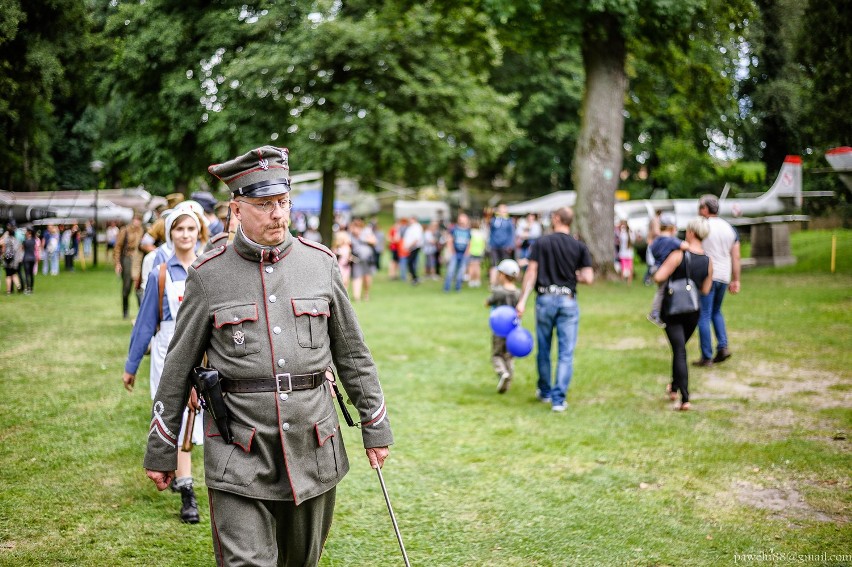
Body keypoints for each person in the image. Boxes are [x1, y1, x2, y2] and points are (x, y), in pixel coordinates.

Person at [142, 145, 393, 567]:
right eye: (264, 205)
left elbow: (353, 354)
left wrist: (375, 424)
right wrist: (162, 448)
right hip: (238, 452)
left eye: (282, 202)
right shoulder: (208, 275)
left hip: (313, 446)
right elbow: (178, 368)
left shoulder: (321, 265)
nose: (278, 214)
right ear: (238, 210)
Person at [122, 208, 206, 523]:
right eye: (179, 229)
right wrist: (131, 364)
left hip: (204, 354)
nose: (185, 234)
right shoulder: (160, 273)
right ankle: (187, 492)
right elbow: (145, 323)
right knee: (176, 417)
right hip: (167, 354)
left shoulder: (208, 269)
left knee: (199, 420)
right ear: (170, 234)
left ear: (199, 232)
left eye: (191, 228)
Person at [516, 207, 594, 412]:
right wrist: (571, 275)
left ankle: (545, 391)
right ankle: (558, 400)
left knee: (544, 348)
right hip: (567, 300)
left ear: (557, 219)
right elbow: (588, 277)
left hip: (545, 299)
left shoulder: (541, 243)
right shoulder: (579, 246)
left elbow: (532, 272)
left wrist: (522, 300)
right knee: (565, 353)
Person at [653, 217, 713, 410]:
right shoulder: (708, 260)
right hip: (693, 312)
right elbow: (705, 289)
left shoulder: (678, 255)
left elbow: (658, 277)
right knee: (678, 348)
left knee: (679, 350)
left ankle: (685, 397)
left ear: (691, 233)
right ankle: (674, 387)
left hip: (673, 310)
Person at [694, 194, 741, 367]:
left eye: (700, 207)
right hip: (724, 275)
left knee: (704, 314)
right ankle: (723, 346)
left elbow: (694, 248)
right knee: (716, 311)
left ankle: (706, 356)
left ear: (705, 209)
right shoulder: (729, 228)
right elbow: (736, 257)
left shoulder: (702, 226)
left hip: (707, 274)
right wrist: (736, 280)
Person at [646, 213, 689, 328]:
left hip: (655, 267)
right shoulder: (671, 241)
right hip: (663, 269)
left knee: (661, 291)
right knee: (661, 291)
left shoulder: (656, 241)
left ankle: (659, 312)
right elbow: (685, 246)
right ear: (671, 228)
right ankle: (655, 313)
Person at [486, 259, 521, 394]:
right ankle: (509, 376)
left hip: (499, 330)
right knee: (509, 356)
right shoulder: (518, 293)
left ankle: (502, 373)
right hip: (514, 330)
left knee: (496, 354)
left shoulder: (499, 292)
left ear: (502, 275)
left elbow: (488, 302)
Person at [114, 214, 145, 319]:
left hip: (139, 259)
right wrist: (117, 263)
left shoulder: (143, 231)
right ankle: (125, 311)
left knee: (139, 287)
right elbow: (118, 247)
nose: (137, 222)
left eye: (139, 220)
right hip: (127, 258)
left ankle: (141, 312)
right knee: (126, 287)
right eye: (135, 220)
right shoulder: (125, 230)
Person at [488, 203, 515, 285]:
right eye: (500, 210)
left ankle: (503, 282)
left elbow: (512, 234)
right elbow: (491, 232)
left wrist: (510, 245)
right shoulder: (494, 220)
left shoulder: (509, 221)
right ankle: (493, 283)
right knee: (494, 265)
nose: (502, 212)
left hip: (505, 247)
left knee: (504, 265)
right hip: (494, 246)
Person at [443, 213, 471, 292]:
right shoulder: (454, 229)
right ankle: (446, 288)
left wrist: (467, 252)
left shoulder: (468, 230)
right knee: (450, 271)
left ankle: (458, 288)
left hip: (464, 254)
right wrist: (452, 251)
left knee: (461, 272)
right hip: (455, 253)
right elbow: (450, 240)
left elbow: (469, 242)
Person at [400, 216, 423, 285]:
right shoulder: (412, 227)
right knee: (411, 263)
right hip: (411, 247)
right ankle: (414, 277)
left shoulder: (416, 227)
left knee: (410, 262)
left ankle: (414, 278)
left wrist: (409, 246)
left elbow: (416, 239)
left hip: (414, 247)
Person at [2, 226, 22, 294]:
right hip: (14, 260)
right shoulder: (16, 241)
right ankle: (18, 286)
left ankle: (8, 291)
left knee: (8, 275)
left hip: (7, 259)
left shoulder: (6, 240)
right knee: (14, 274)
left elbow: (3, 248)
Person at [467, 218, 486, 287]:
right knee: (477, 267)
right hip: (479, 252)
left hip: (471, 251)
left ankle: (471, 280)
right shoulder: (481, 233)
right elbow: (483, 243)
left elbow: (469, 242)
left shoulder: (470, 232)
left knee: (471, 266)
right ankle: (477, 280)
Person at [616, 220, 634, 284]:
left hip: (623, 253)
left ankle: (622, 280)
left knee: (623, 267)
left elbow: (618, 241)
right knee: (630, 267)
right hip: (630, 254)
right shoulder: (631, 234)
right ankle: (629, 280)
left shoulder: (622, 234)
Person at [21, 228, 38, 294]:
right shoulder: (34, 240)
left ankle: (27, 288)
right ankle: (31, 288)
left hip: (26, 258)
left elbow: (22, 249)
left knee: (26, 274)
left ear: (29, 232)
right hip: (32, 258)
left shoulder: (25, 241)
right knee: (31, 274)